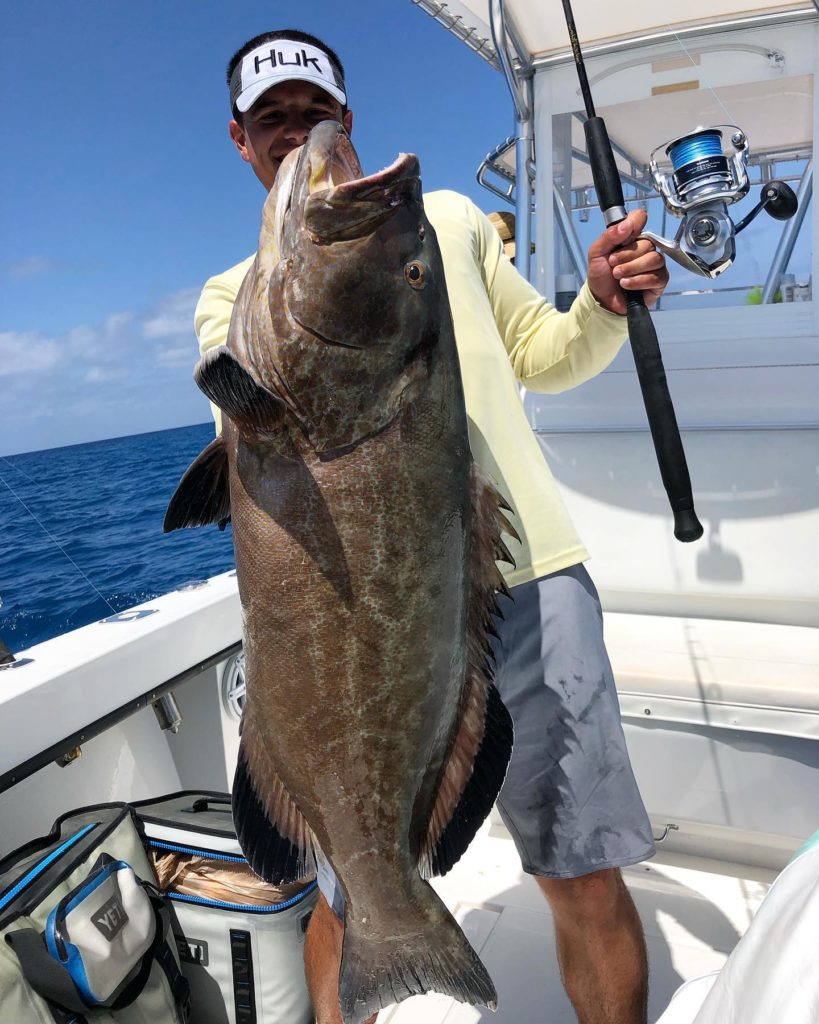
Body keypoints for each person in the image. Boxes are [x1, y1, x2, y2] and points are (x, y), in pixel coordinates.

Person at [195, 28, 670, 1024]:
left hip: (528, 581)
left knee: (584, 871)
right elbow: (241, 421)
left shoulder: (440, 225)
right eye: (272, 121)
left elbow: (545, 353)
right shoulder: (230, 301)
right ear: (241, 142)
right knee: (343, 890)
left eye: (313, 114)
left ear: (348, 121)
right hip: (350, 621)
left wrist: (601, 303)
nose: (297, 136)